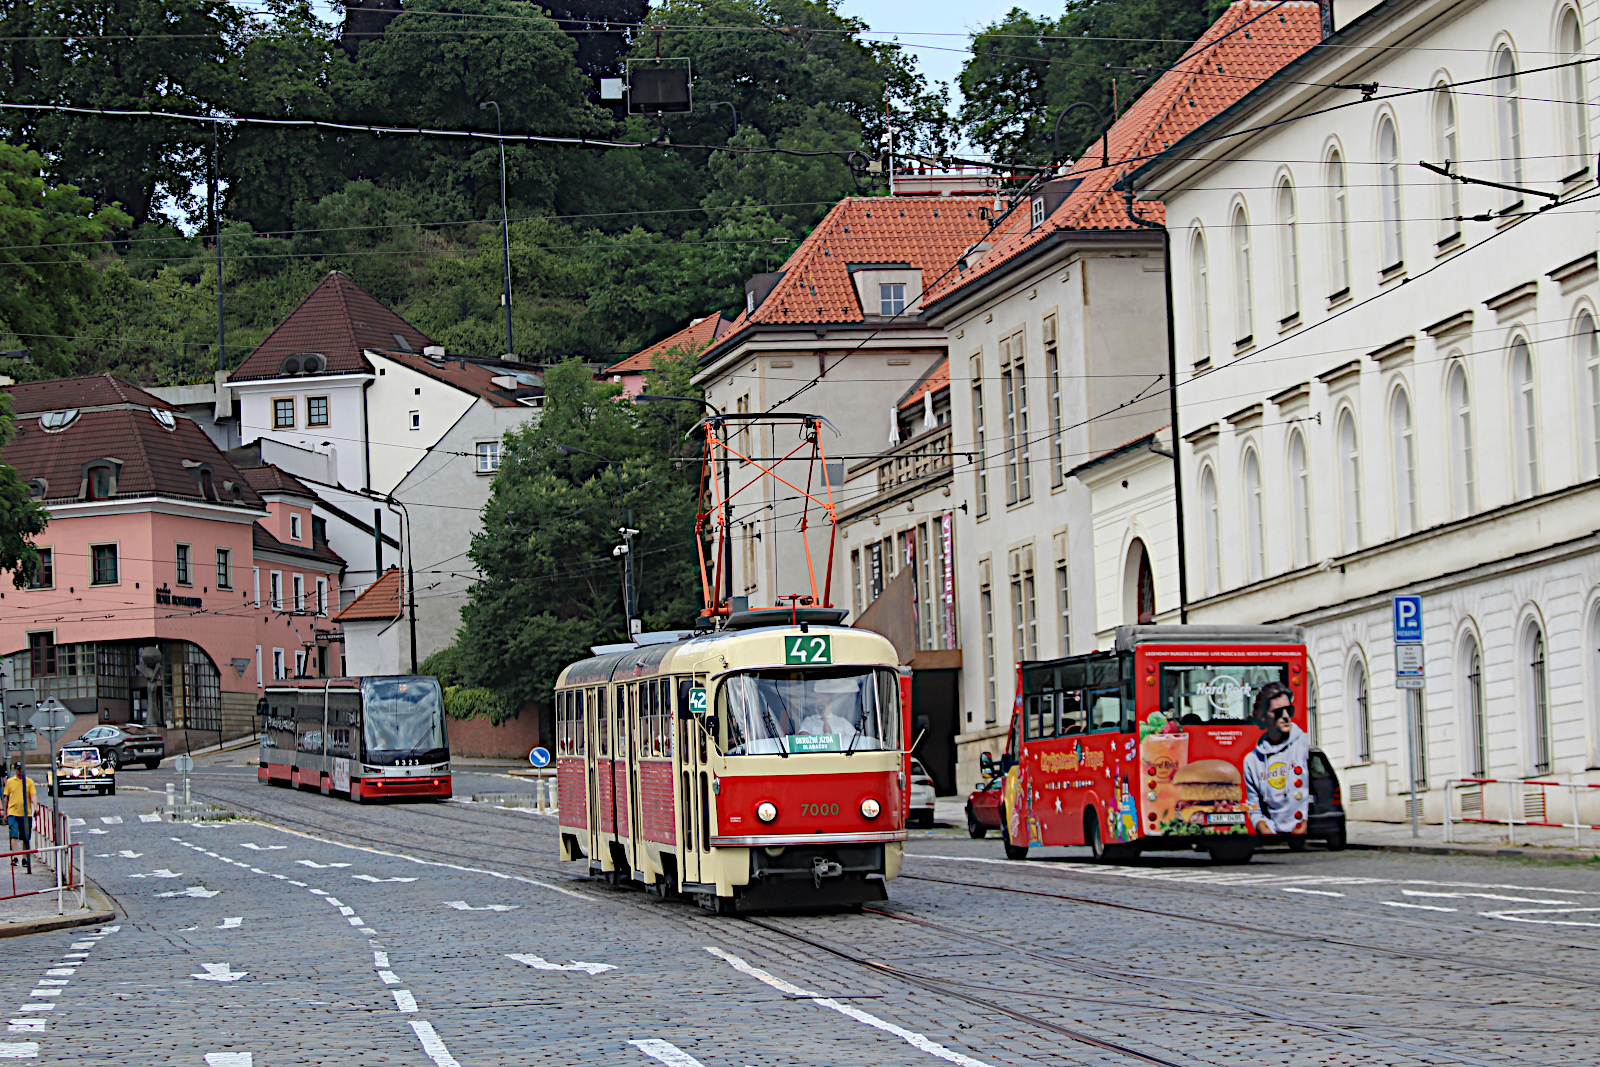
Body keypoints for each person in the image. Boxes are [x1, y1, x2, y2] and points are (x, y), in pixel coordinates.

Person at [1243, 682, 1311, 836]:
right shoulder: (1252, 760)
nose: (1286, 716)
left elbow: (1316, 791)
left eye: (1289, 710)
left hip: (1305, 835)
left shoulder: (1303, 744)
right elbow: (1254, 807)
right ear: (1263, 716)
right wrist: (1264, 828)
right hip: (1272, 837)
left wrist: (1306, 822)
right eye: (1278, 712)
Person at [5, 762, 36, 873]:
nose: (20, 771)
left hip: (26, 814)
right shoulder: (10, 782)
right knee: (13, 834)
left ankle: (24, 858)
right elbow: (6, 798)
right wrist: (5, 812)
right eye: (18, 769)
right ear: (15, 770)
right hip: (13, 812)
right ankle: (15, 857)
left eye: (22, 769)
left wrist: (35, 806)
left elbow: (33, 795)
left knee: (25, 837)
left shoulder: (29, 782)